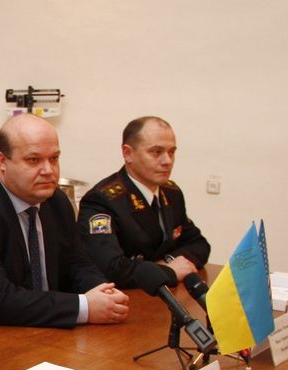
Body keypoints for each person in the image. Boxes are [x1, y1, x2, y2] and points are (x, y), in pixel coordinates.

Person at [0, 113, 129, 328]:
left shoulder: (56, 202)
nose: (48, 171)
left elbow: (77, 265)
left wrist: (103, 292)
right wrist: (84, 307)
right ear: (2, 162)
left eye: (54, 158)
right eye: (33, 160)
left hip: (47, 329)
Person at [78, 116, 210, 288]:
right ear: (128, 153)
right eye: (156, 152)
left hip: (164, 293)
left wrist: (168, 261)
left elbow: (199, 244)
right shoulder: (102, 200)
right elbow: (111, 269)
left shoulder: (172, 193)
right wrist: (168, 271)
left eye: (171, 152)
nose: (167, 161)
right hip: (125, 298)